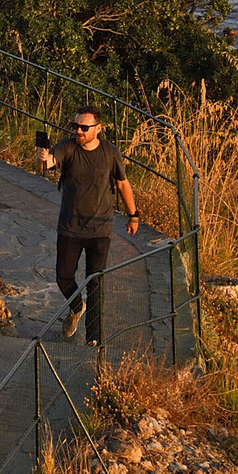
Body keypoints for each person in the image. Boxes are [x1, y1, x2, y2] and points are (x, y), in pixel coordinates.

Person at [35, 109, 141, 343]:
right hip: (70, 227)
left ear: (98, 129)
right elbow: (51, 161)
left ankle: (94, 338)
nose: (78, 131)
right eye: (75, 127)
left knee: (95, 283)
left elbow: (123, 184)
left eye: (84, 128)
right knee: (64, 278)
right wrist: (43, 157)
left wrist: (133, 214)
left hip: (100, 229)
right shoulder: (68, 147)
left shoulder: (110, 152)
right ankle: (76, 306)